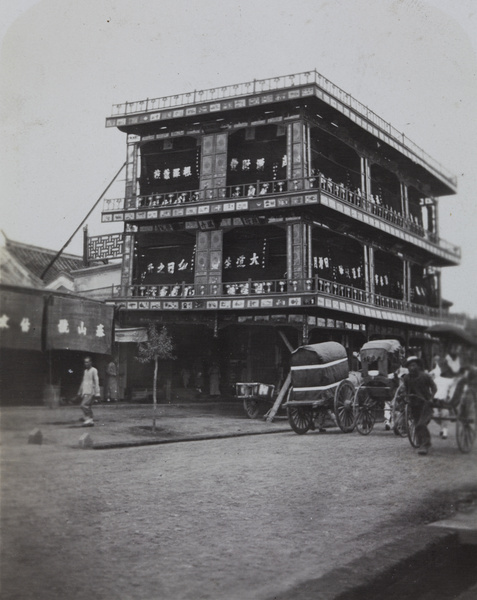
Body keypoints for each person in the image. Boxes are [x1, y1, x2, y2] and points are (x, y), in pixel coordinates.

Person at [401, 356, 437, 455]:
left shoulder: (425, 376)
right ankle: (420, 441)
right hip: (414, 404)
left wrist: (431, 398)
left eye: (413, 365)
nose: (411, 368)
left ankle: (425, 444)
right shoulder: (407, 378)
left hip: (425, 403)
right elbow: (406, 389)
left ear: (418, 366)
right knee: (416, 423)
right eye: (409, 366)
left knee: (421, 424)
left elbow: (434, 387)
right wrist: (405, 397)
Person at [432, 344, 463, 439]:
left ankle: (444, 428)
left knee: (446, 390)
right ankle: (437, 400)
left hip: (454, 380)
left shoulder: (459, 360)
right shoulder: (444, 359)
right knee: (437, 382)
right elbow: (437, 371)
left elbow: (458, 370)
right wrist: (432, 373)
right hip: (442, 379)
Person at [77, 356, 100, 427]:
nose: (86, 363)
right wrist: (80, 390)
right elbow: (83, 381)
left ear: (90, 362)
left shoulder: (94, 370)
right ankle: (88, 418)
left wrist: (97, 392)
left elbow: (96, 381)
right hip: (85, 390)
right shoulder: (85, 371)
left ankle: (89, 420)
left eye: (87, 362)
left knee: (83, 405)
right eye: (85, 362)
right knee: (88, 405)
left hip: (91, 391)